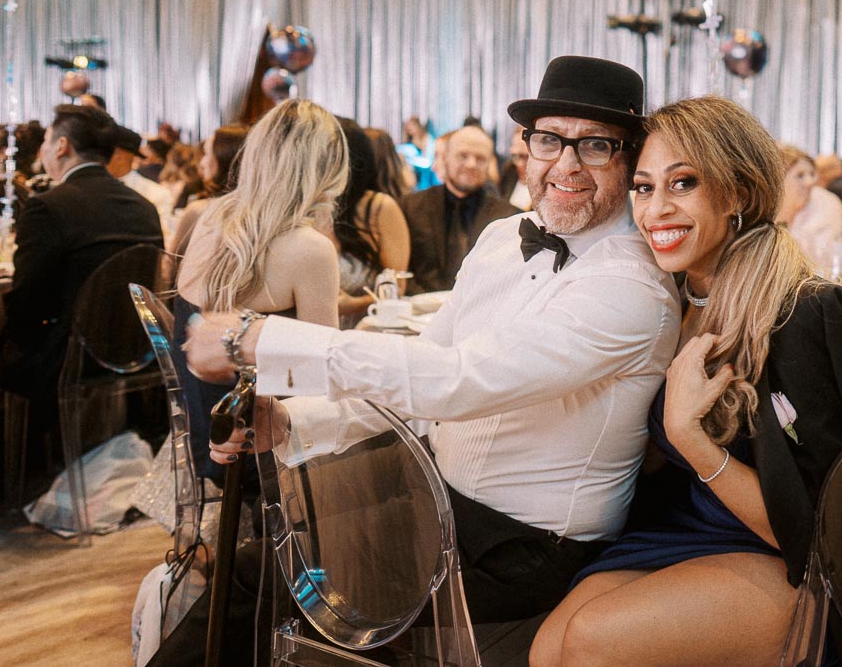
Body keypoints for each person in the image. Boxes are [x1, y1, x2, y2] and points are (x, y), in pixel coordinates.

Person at [183, 55, 679, 627]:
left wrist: (261, 338)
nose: (565, 163)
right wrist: (294, 423)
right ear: (526, 149)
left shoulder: (634, 286)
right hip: (442, 502)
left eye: (595, 145)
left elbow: (458, 381)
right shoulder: (499, 238)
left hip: (529, 547)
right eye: (549, 141)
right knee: (267, 546)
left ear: (631, 159)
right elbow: (426, 364)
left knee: (263, 579)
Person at [531, 96, 842, 667]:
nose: (656, 211)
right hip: (678, 530)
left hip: (783, 553)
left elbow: (824, 531)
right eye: (645, 188)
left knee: (592, 642)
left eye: (683, 184)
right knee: (548, 650)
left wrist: (691, 438)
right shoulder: (669, 302)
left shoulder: (804, 315)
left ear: (739, 194)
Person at [175, 99, 346, 484]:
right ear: (330, 168)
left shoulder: (212, 215)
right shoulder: (309, 248)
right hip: (262, 459)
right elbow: (323, 378)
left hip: (207, 435)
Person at [0, 105, 163, 405]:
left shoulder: (48, 206)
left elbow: (27, 302)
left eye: (46, 141)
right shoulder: (145, 208)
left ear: (62, 146)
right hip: (138, 353)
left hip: (69, 362)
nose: (42, 151)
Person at [399, 125, 519, 294]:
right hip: (417, 311)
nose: (471, 164)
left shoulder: (509, 217)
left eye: (480, 158)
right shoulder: (410, 207)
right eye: (463, 156)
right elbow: (400, 270)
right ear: (446, 158)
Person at [333, 118, 411, 326]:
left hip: (363, 330)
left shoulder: (378, 208)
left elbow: (397, 287)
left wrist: (353, 303)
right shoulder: (307, 211)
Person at [168, 124, 247, 259]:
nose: (202, 163)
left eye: (206, 154)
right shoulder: (261, 212)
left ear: (224, 159)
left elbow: (171, 262)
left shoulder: (201, 212)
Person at [778, 144, 842, 267]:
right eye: (800, 175)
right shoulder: (765, 209)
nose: (810, 182)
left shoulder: (827, 204)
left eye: (812, 174)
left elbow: (826, 261)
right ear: (779, 180)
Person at [107, 124, 175, 220]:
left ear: (120, 155)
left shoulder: (157, 195)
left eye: (104, 152)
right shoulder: (92, 189)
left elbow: (165, 231)